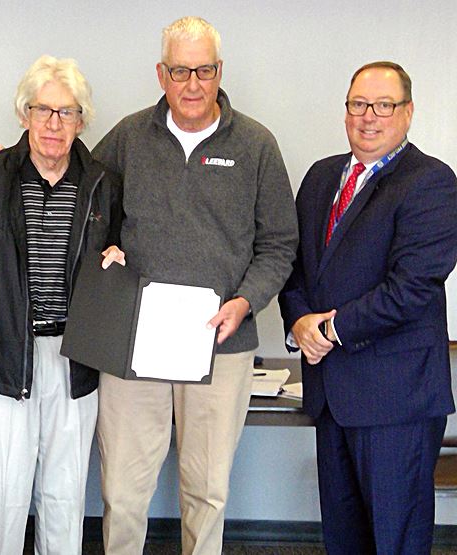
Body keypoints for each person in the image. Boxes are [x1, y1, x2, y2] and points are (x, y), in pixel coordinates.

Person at [91, 17, 298, 554]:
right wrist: (104, 250)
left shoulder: (256, 145)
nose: (192, 84)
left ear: (218, 71)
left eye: (203, 70)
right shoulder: (128, 138)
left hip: (219, 341)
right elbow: (83, 209)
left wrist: (246, 302)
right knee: (122, 490)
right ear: (161, 73)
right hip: (134, 343)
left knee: (207, 492)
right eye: (180, 70)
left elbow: (279, 243)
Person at [279, 61, 457, 553]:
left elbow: (413, 287)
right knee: (344, 539)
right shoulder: (320, 177)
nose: (369, 117)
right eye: (359, 104)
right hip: (331, 396)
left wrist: (329, 330)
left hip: (395, 402)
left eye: (384, 105)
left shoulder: (432, 182)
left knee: (394, 541)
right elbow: (295, 267)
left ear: (408, 112)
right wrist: (299, 321)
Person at [0, 55, 124, 554]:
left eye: (67, 113)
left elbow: (121, 266)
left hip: (76, 361)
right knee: (2, 498)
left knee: (65, 497)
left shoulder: (104, 185)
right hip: (3, 358)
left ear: (82, 121)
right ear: (23, 114)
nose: (54, 123)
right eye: (43, 110)